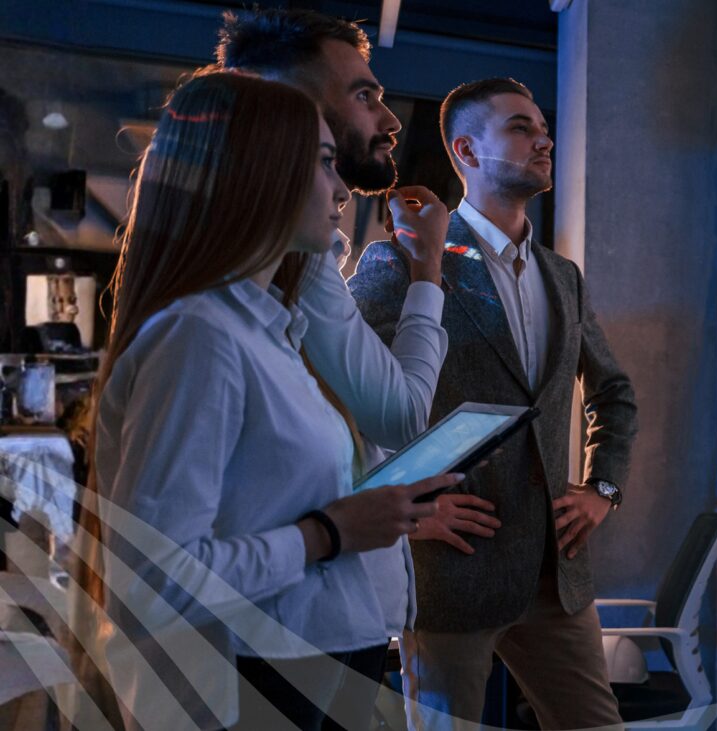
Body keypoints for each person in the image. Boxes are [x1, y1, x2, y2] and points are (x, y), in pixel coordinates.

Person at [75, 73, 454, 731]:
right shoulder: (201, 335)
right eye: (324, 162)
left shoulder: (268, 330)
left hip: (304, 672)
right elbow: (154, 581)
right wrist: (330, 532)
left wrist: (365, 514)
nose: (340, 189)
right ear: (256, 168)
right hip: (251, 688)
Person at [349, 77, 638, 730]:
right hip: (452, 575)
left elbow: (613, 392)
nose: (544, 138)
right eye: (519, 127)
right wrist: (398, 506)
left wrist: (603, 487)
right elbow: (329, 398)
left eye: (543, 127)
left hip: (553, 576)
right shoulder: (403, 261)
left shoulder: (563, 276)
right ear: (467, 152)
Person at [214, 6, 452, 648]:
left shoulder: (291, 269)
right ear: (293, 108)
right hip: (290, 639)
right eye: (365, 94)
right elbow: (400, 417)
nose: (392, 119)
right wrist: (427, 267)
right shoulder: (260, 287)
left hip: (331, 625)